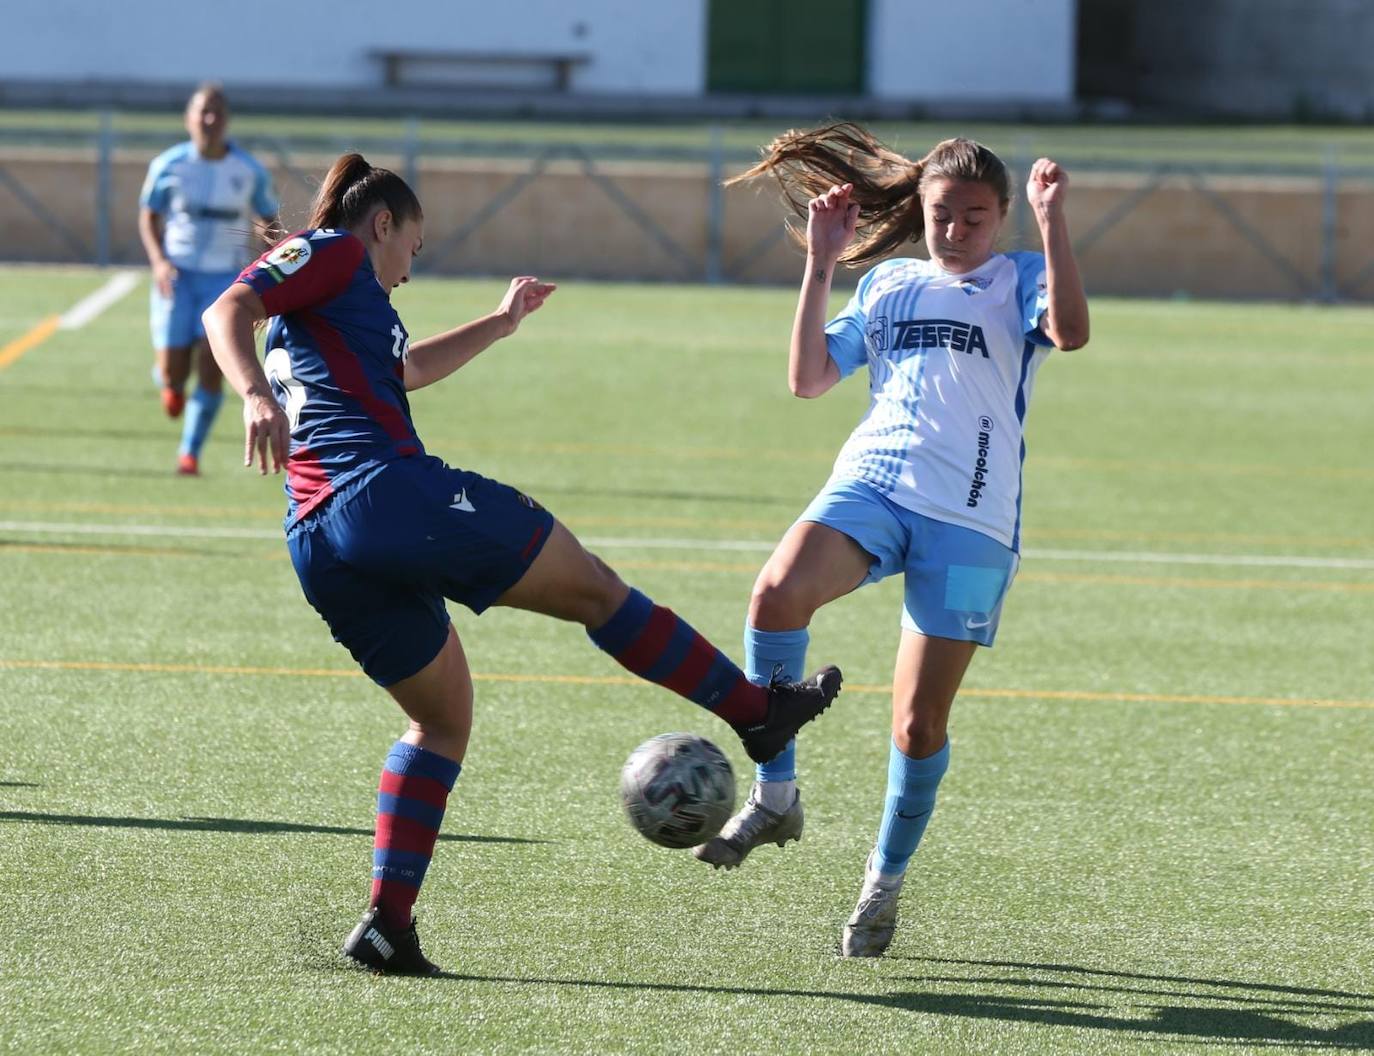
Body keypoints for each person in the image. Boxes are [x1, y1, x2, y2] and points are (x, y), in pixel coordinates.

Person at [201, 153, 842, 975]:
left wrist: (500, 323)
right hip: (383, 494)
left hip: (318, 540)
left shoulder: (339, 308)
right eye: (414, 249)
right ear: (384, 224)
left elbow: (406, 372)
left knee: (441, 722)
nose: (408, 269)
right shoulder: (334, 251)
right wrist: (252, 392)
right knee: (599, 592)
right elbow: (231, 307)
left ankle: (388, 926)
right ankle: (755, 711)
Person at [691, 124, 1089, 958]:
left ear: (1003, 217)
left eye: (976, 217)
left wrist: (1054, 227)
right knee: (775, 593)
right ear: (922, 208)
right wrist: (820, 263)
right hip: (874, 485)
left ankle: (883, 882)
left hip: (974, 523)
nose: (956, 231)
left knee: (918, 724)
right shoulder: (889, 286)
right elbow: (807, 380)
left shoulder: (1018, 278)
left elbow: (1073, 333)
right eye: (944, 214)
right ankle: (776, 792)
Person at [138, 83, 279, 475]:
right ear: (189, 118)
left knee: (212, 361)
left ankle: (190, 452)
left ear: (227, 120)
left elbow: (269, 218)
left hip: (224, 280)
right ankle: (168, 381)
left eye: (217, 112)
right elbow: (149, 215)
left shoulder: (248, 170)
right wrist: (159, 261)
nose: (210, 120)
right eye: (203, 112)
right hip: (178, 277)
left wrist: (269, 259)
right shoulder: (169, 165)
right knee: (173, 371)